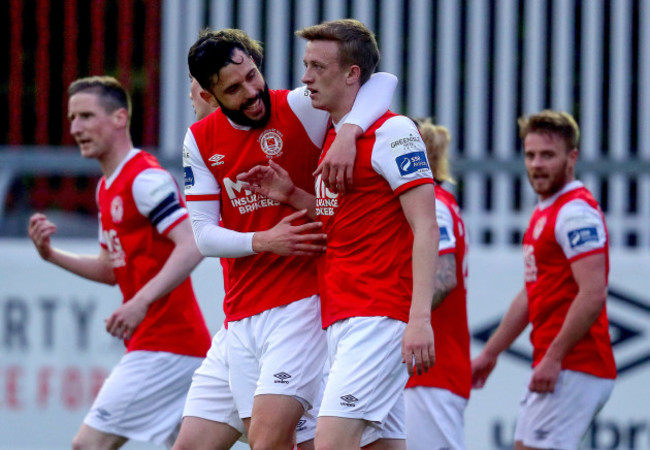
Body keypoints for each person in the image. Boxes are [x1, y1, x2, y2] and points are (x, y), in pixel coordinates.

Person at [181, 28, 397, 450]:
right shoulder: (201, 140)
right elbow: (204, 236)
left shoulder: (298, 107)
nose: (252, 91)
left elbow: (380, 82)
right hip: (241, 312)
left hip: (303, 302)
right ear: (209, 95)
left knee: (268, 440)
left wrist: (349, 131)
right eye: (234, 88)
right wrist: (263, 240)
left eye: (253, 75)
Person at [239, 19, 439, 450]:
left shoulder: (394, 132)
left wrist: (419, 318)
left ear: (352, 75)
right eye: (305, 65)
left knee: (329, 444)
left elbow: (426, 226)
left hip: (379, 316)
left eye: (318, 67)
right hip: (342, 317)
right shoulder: (335, 133)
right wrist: (290, 193)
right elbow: (342, 219)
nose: (306, 77)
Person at [27, 76, 211, 449]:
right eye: (72, 118)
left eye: (86, 116)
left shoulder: (145, 179)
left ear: (119, 118)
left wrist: (140, 302)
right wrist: (51, 255)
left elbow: (192, 244)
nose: (76, 128)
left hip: (166, 347)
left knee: (88, 445)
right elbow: (111, 270)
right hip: (169, 347)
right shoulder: (106, 186)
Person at [471, 110, 616, 450]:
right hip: (563, 364)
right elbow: (530, 295)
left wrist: (554, 357)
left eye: (547, 155)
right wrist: (491, 353)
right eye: (530, 154)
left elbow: (593, 293)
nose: (536, 164)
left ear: (572, 158)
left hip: (576, 364)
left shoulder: (576, 213)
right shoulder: (547, 210)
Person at [404, 119, 470, 450]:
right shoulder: (428, 203)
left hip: (431, 373)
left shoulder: (435, 205)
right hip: (418, 373)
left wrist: (389, 317)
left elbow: (444, 278)